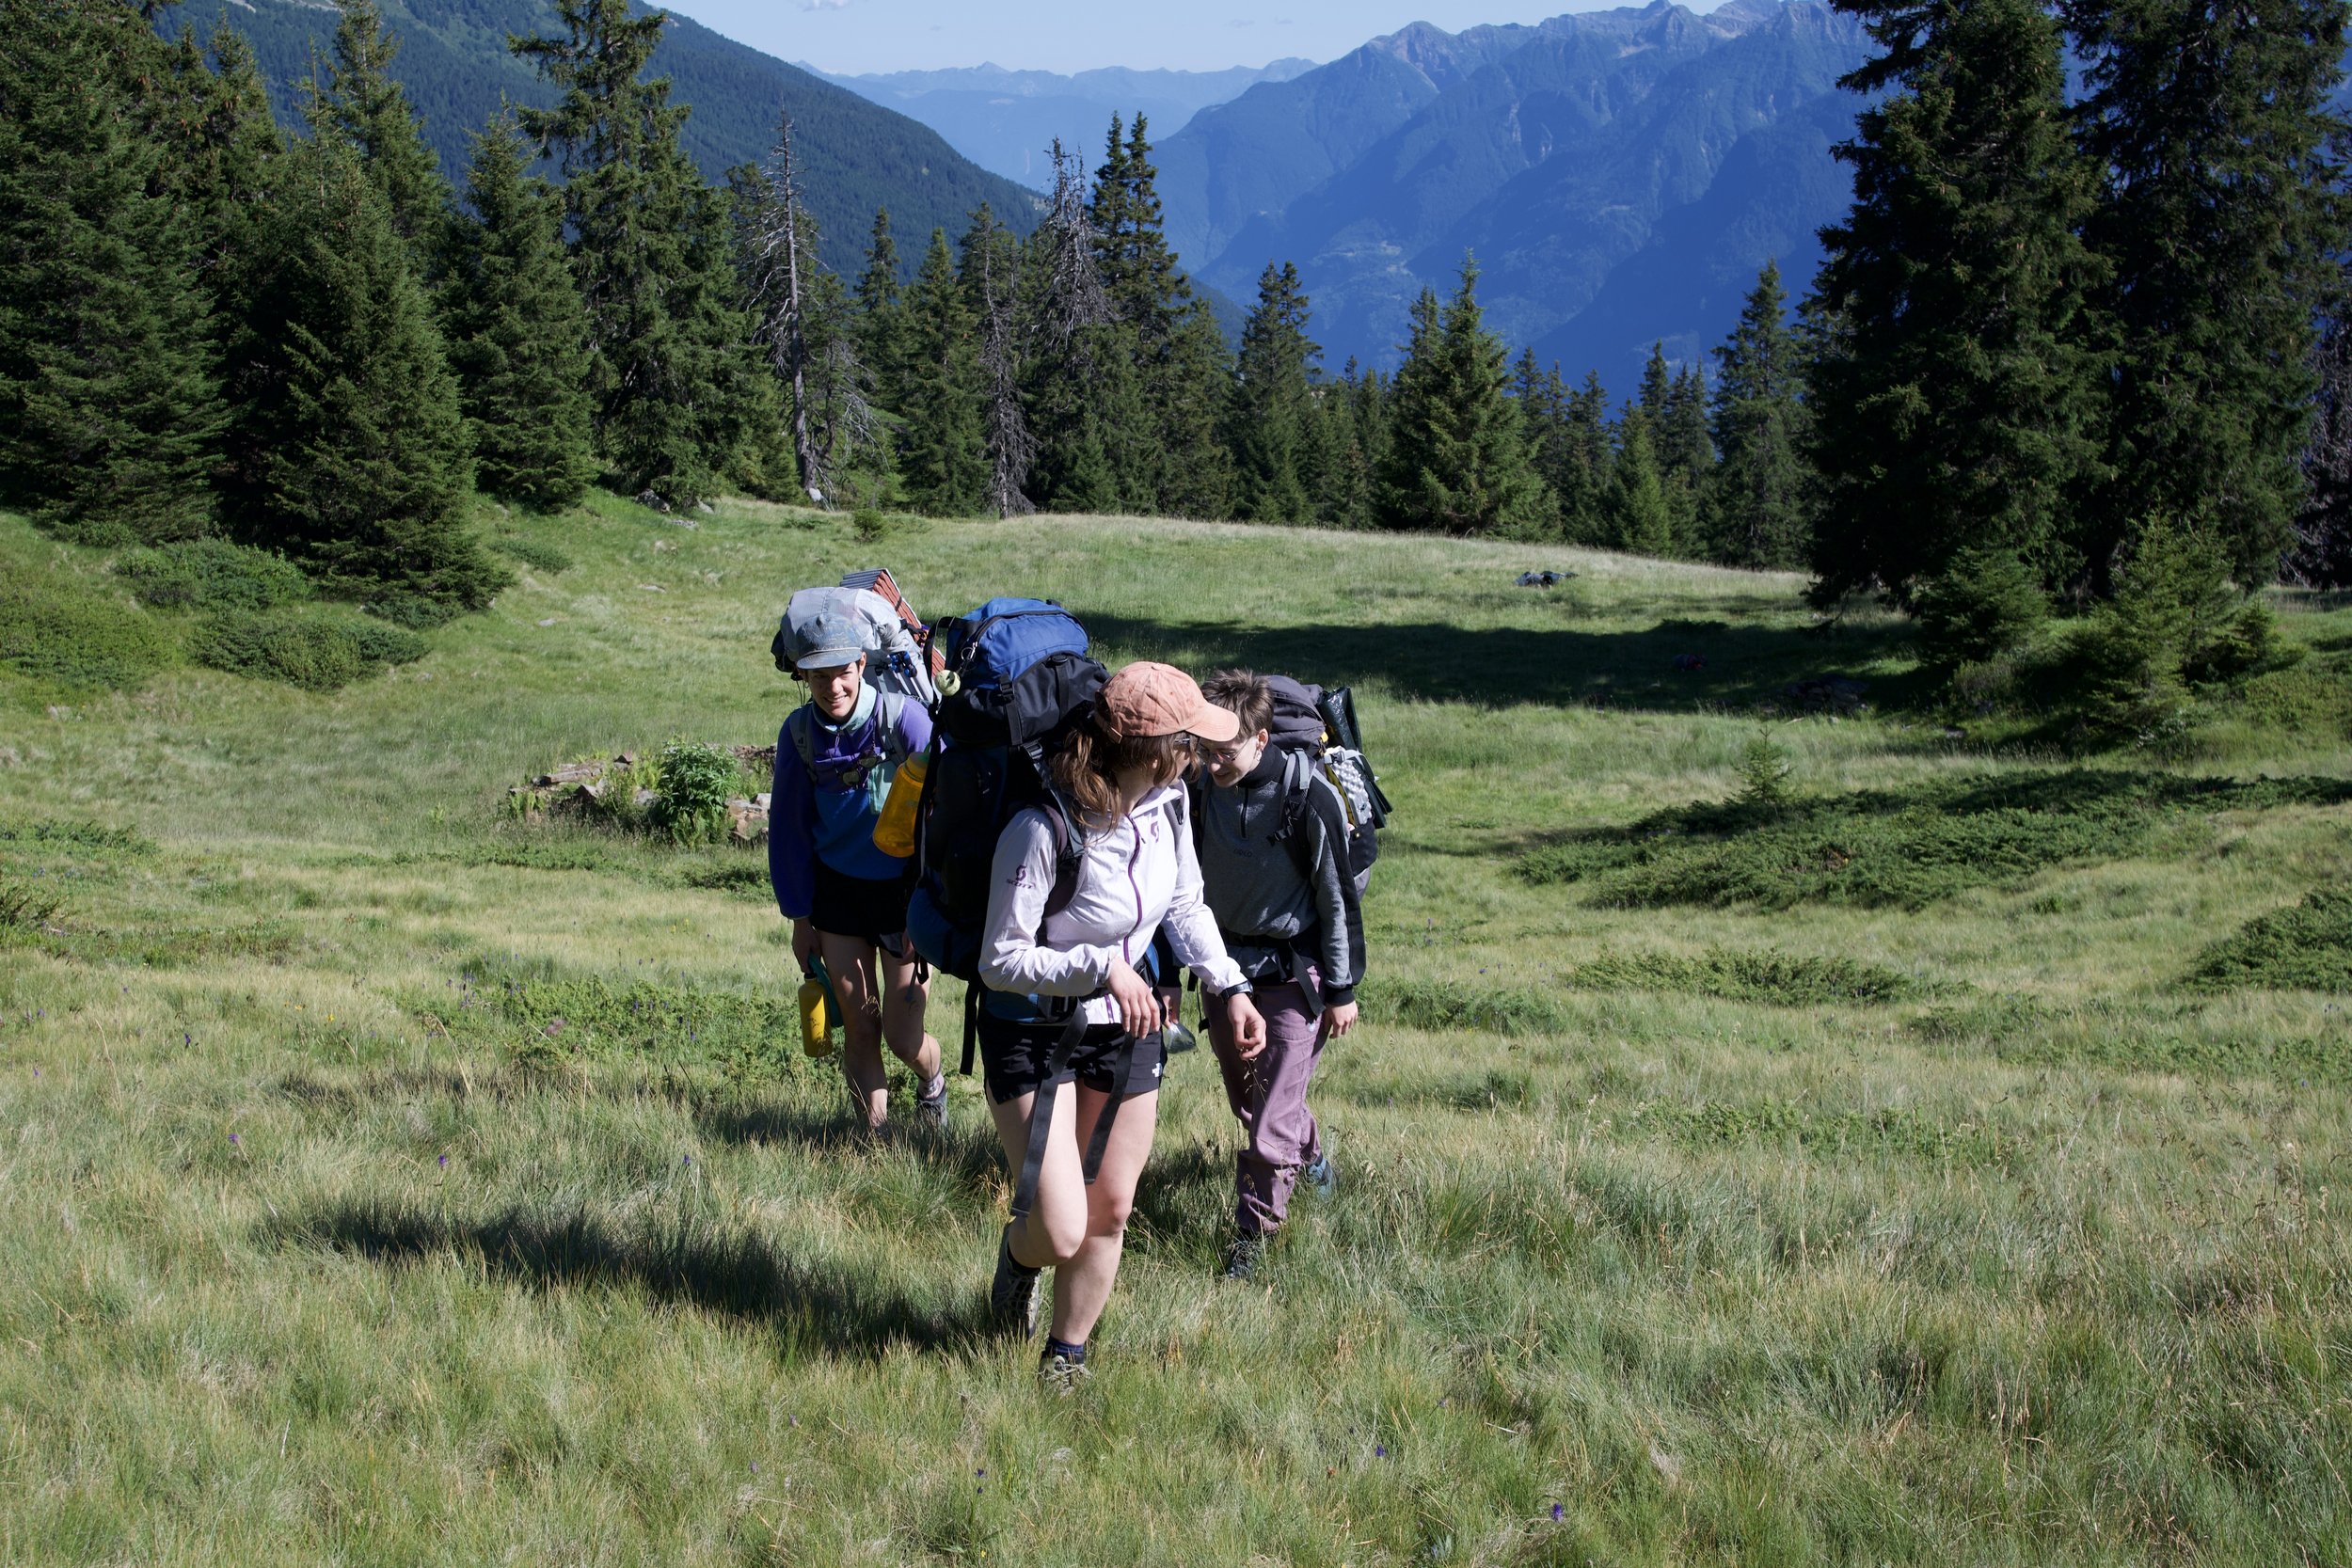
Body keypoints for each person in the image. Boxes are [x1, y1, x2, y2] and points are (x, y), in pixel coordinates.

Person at [977, 661, 1267, 1391]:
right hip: (1032, 1033)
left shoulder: (1168, 806)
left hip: (1128, 1025)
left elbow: (1184, 905)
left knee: (1109, 1209)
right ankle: (1020, 1261)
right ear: (1152, 749)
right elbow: (999, 960)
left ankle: (1064, 1358)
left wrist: (1229, 985)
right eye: (1190, 743)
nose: (1202, 758)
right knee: (1060, 1228)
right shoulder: (1041, 827)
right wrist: (1099, 966)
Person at [1192, 671, 1365, 1281]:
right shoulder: (1197, 791)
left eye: (1226, 751)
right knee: (1251, 1102)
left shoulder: (1308, 798)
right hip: (1226, 975)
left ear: (1262, 739)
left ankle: (1251, 1240)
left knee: (1269, 1123)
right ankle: (1313, 1163)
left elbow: (1338, 899)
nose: (1213, 763)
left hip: (1296, 976)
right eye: (1204, 749)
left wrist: (1342, 991)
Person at [769, 604, 945, 1132]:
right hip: (838, 896)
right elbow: (789, 829)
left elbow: (947, 808)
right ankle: (877, 1145)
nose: (832, 687)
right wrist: (801, 918)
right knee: (861, 1029)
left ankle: (931, 1080)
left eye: (842, 672)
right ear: (803, 675)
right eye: (818, 676)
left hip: (904, 896)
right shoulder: (799, 734)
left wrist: (938, 899)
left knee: (901, 1035)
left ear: (862, 665)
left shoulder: (904, 720)